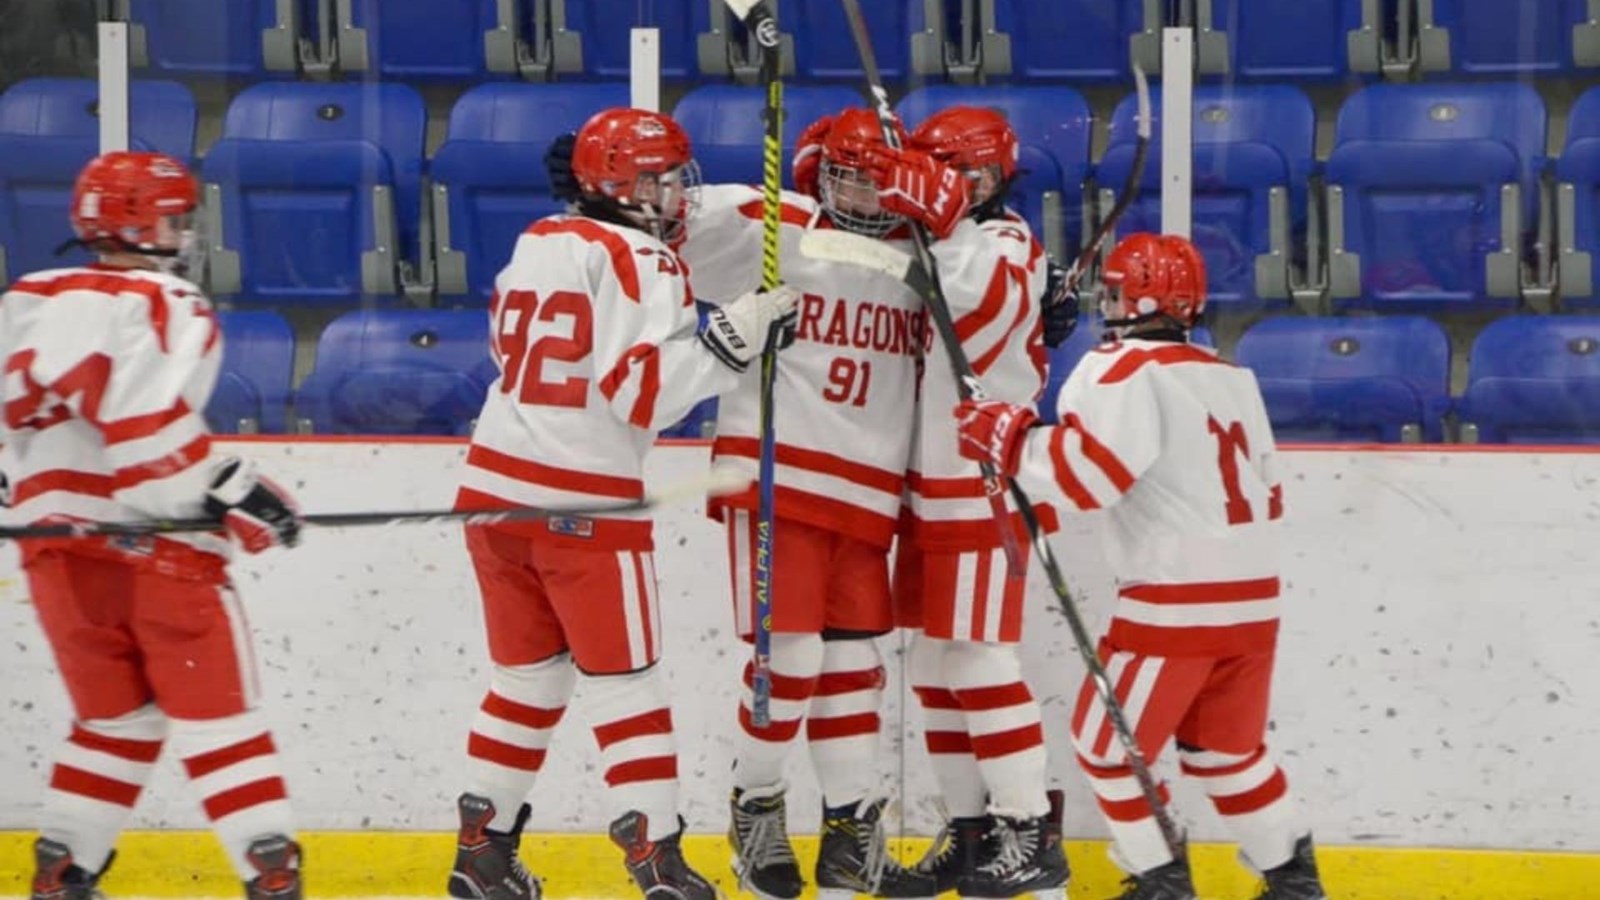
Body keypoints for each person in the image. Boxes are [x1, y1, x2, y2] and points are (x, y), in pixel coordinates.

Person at [447, 107, 795, 900]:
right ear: (621, 187)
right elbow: (644, 395)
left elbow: (514, 354)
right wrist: (734, 335)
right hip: (586, 505)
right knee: (626, 685)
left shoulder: (538, 239)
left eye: (675, 173)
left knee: (525, 682)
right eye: (659, 177)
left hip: (493, 498)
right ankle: (657, 862)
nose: (675, 190)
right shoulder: (647, 261)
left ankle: (480, 855)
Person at [951, 233, 1328, 900]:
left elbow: (1089, 477)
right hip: (1253, 604)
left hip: (1176, 605)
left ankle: (1159, 882)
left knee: (1106, 745)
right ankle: (1294, 882)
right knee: (1225, 753)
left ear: (1141, 298)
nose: (1109, 302)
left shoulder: (1117, 369)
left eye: (1118, 290)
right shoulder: (1232, 376)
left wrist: (1009, 441)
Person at [673, 107, 969, 900]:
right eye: (850, 175)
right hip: (778, 478)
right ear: (818, 172)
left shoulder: (929, 260)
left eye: (882, 180)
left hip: (868, 490)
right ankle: (755, 799)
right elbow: (663, 228)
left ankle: (848, 831)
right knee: (791, 659)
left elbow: (995, 320)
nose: (865, 195)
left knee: (850, 666)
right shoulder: (776, 224)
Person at [0, 151, 305, 899]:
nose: (183, 234)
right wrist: (237, 494)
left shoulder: (26, 297)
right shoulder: (166, 301)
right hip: (155, 555)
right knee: (220, 725)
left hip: (55, 553)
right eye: (173, 218)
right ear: (139, 222)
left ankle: (65, 869)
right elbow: (144, 441)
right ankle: (269, 875)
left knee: (118, 722)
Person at [891, 106, 1071, 898]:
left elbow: (959, 304)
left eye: (974, 173)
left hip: (980, 480)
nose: (960, 186)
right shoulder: (940, 240)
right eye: (946, 171)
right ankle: (969, 834)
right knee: (934, 665)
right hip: (927, 483)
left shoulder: (1003, 244)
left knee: (978, 658)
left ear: (999, 179)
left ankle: (1028, 832)